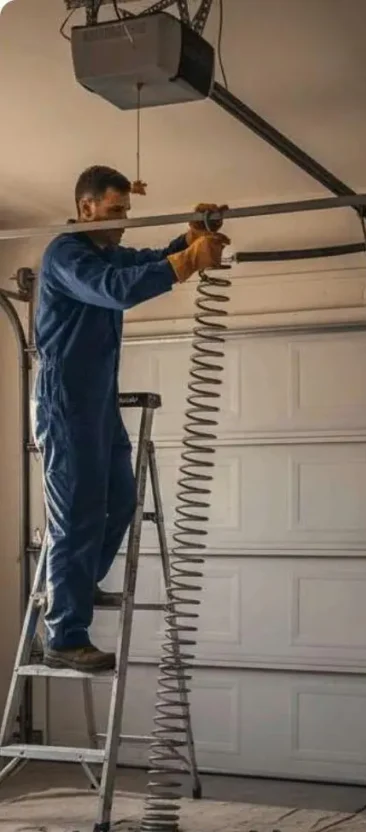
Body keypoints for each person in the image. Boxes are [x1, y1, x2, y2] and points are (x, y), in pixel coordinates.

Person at [32, 165, 228, 673]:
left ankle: (75, 584)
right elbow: (116, 288)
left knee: (121, 500)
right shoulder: (67, 255)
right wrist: (188, 262)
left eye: (126, 210)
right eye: (115, 210)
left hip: (98, 401)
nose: (123, 220)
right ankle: (64, 635)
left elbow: (145, 262)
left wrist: (189, 238)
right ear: (86, 208)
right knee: (76, 513)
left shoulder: (107, 252)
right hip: (64, 401)